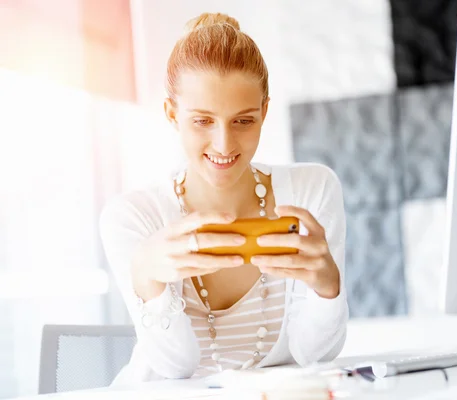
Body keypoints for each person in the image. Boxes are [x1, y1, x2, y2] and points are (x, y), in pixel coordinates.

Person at [99, 12, 348, 385]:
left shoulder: (313, 190)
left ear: (264, 112)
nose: (224, 144)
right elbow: (176, 367)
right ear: (172, 114)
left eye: (243, 121)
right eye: (202, 121)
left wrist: (328, 288)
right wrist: (148, 279)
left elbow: (313, 354)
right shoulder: (132, 217)